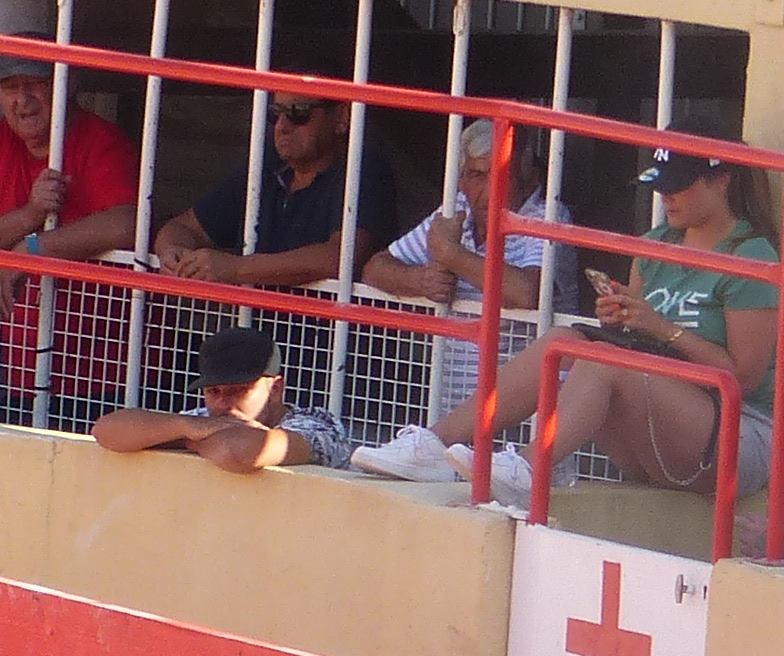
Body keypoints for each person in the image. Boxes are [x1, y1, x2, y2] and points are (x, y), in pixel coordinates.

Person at [532, 149, 778, 506]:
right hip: (665, 416)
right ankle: (434, 445)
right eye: (660, 186)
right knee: (562, 342)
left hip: (738, 430)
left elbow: (744, 379)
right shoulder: (655, 244)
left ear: (721, 180)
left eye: (678, 185)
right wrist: (622, 320)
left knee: (604, 360)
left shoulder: (752, 255)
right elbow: (637, 344)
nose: (666, 197)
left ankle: (528, 468)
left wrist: (661, 327)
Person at [0, 53, 139, 418]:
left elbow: (125, 225)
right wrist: (31, 215)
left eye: (35, 85)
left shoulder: (101, 141)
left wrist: (32, 248)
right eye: (10, 87)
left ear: (69, 84)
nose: (22, 99)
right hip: (24, 375)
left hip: (108, 374)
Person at [356, 116, 557, 445]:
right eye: (477, 175)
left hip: (528, 423)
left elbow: (528, 293)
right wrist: (418, 280)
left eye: (502, 174)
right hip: (453, 411)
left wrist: (451, 256)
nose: (489, 189)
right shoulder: (458, 210)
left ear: (528, 177)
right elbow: (374, 268)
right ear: (461, 180)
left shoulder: (546, 214)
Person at [151, 84, 393, 290]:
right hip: (255, 334)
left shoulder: (363, 169)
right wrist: (172, 253)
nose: (282, 126)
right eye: (274, 114)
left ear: (342, 117)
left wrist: (236, 268)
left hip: (329, 339)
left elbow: (341, 256)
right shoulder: (268, 167)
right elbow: (184, 226)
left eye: (299, 113)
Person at [90, 319, 349, 473]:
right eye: (214, 391)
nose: (224, 402)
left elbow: (239, 451)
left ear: (275, 388)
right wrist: (184, 426)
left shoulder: (317, 425)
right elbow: (106, 431)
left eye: (239, 390)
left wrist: (187, 438)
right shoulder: (204, 422)